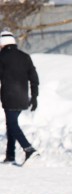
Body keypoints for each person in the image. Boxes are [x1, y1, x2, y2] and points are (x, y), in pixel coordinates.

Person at [0, 30, 39, 165]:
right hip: (23, 97)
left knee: (12, 124)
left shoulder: (2, 57)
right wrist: (34, 97)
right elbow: (34, 78)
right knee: (11, 124)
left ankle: (29, 149)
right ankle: (10, 156)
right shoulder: (25, 57)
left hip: (9, 96)